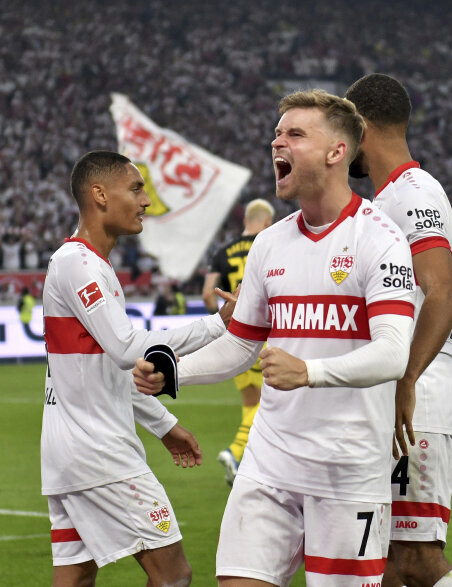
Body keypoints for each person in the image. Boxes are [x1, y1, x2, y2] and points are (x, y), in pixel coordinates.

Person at [134, 89, 416, 587]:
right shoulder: (270, 243)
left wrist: (311, 372)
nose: (276, 141)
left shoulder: (380, 239)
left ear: (337, 152)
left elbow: (394, 352)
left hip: (346, 468)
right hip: (270, 463)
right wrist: (174, 371)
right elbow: (241, 344)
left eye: (294, 134)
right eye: (277, 132)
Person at [42, 150, 236, 586]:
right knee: (174, 575)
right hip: (99, 452)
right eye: (135, 188)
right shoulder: (78, 263)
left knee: (74, 577)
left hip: (70, 450)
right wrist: (216, 325)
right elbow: (130, 349)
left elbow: (112, 372)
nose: (146, 200)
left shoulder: (92, 265)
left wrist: (165, 426)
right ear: (99, 195)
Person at [345, 73, 452, 587]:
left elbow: (443, 293)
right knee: (388, 564)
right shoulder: (386, 199)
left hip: (420, 395)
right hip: (400, 395)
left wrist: (407, 379)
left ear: (362, 128)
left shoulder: (414, 192)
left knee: (415, 558)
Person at [201, 198, 275, 484]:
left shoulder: (224, 250)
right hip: (263, 333)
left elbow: (209, 292)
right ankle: (235, 452)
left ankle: (244, 461)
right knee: (271, 400)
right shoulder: (270, 243)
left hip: (235, 335)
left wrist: (222, 321)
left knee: (250, 402)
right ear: (267, 222)